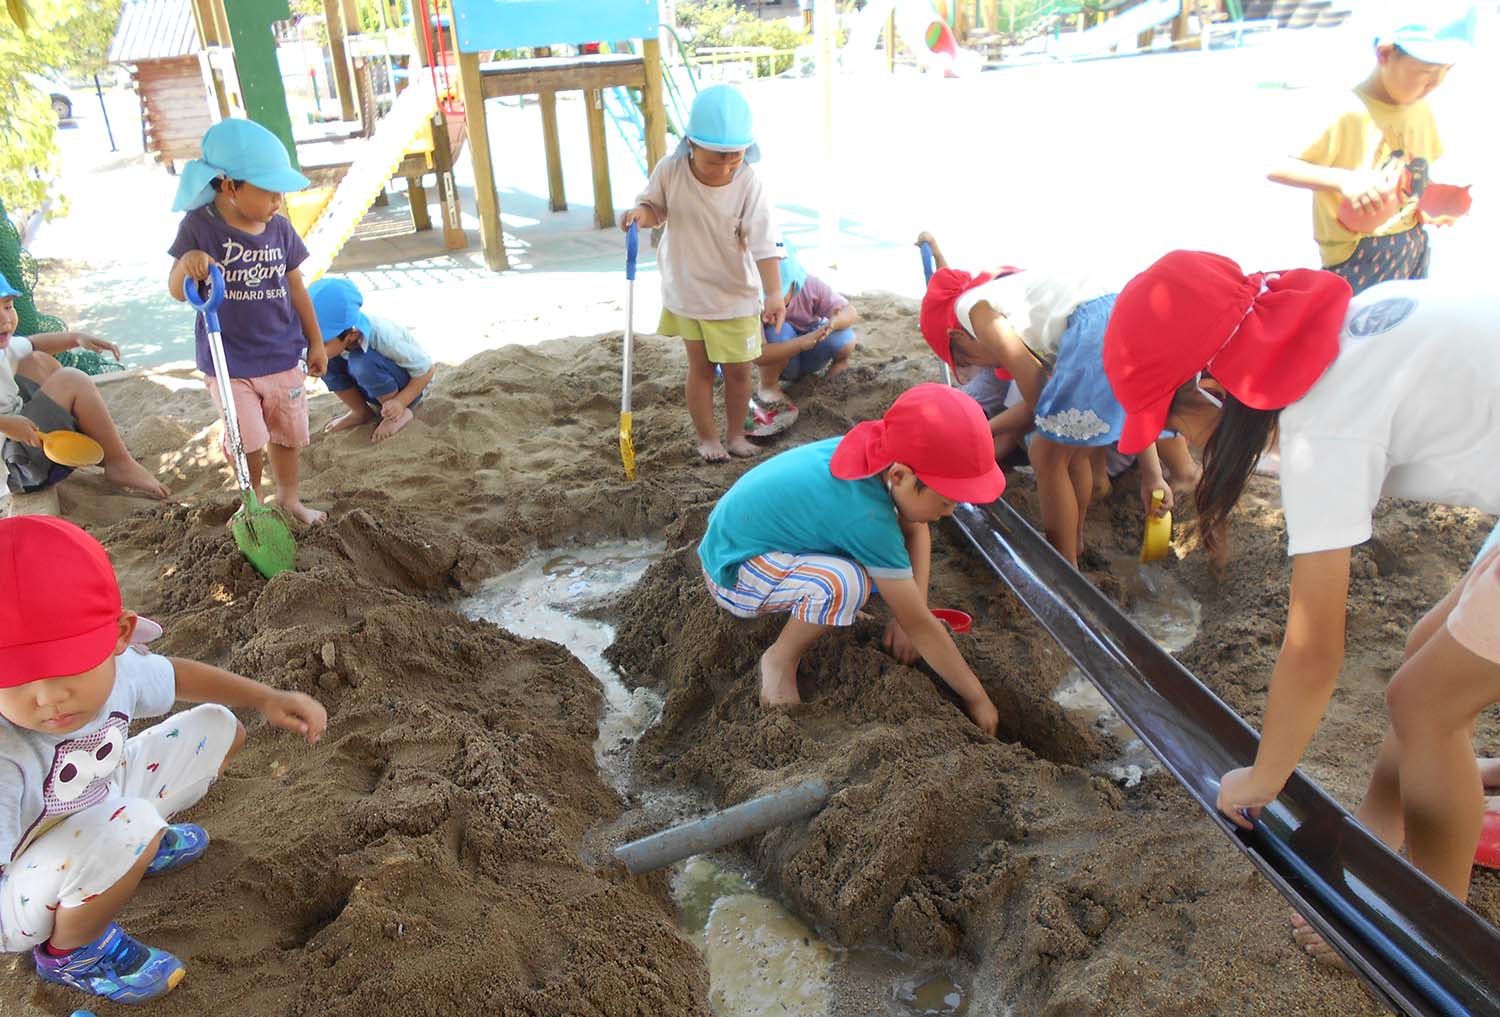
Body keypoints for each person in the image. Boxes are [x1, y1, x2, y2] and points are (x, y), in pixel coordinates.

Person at [1101, 249, 1500, 957]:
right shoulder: (1346, 330)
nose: (1182, 442)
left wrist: (1264, 775)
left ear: (1213, 386)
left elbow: (1315, 645)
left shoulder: (1324, 423)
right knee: (1422, 655)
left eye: (1174, 421)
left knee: (1426, 706)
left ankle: (1428, 935)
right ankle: (1376, 839)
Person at [0, 516, 327, 1003]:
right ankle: (73, 951)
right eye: (15, 675)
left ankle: (126, 854)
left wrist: (265, 698)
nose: (47, 698)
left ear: (120, 636)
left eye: (68, 665)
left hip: (94, 804)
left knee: (218, 727)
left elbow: (176, 677)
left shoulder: (120, 671)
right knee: (130, 825)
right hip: (19, 889)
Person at [697, 383, 1003, 736]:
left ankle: (809, 603)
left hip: (744, 539)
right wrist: (977, 697)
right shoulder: (867, 518)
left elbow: (916, 529)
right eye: (946, 501)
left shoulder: (879, 454)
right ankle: (780, 659)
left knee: (880, 571)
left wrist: (909, 614)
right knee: (847, 583)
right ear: (900, 476)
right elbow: (920, 625)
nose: (949, 512)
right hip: (735, 571)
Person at [916, 231, 1169, 567]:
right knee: (1072, 454)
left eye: (967, 360)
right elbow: (1117, 399)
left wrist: (1029, 431)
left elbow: (1035, 394)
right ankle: (1074, 541)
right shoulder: (1007, 304)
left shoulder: (972, 310)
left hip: (1095, 327)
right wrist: (1152, 473)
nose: (980, 366)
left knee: (1045, 453)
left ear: (957, 336)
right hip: (1125, 314)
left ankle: (1064, 563)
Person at [166, 118, 328, 525]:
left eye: (280, 192)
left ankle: (289, 499)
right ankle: (252, 500)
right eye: (269, 191)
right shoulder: (199, 227)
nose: (278, 200)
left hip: (281, 354)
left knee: (286, 434)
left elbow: (297, 289)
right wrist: (188, 264)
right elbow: (176, 289)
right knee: (247, 438)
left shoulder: (281, 230)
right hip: (230, 362)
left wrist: (316, 341)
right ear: (230, 186)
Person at [619, 84, 785, 463]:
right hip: (688, 290)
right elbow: (655, 207)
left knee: (740, 371)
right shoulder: (671, 170)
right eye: (715, 161)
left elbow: (765, 243)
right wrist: (640, 216)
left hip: (733, 296)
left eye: (735, 159)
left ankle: (736, 434)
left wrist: (774, 293)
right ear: (691, 145)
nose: (725, 168)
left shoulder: (749, 184)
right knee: (701, 368)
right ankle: (708, 438)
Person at [1268, 5, 1476, 294]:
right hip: (1359, 253)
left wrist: (1432, 202)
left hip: (1413, 241)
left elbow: (1413, 171)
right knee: (1364, 321)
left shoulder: (1421, 109)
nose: (1435, 83)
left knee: (1407, 317)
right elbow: (1277, 166)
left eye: (1446, 70)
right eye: (1426, 71)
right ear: (1386, 54)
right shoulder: (1346, 110)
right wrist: (1345, 181)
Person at [0, 278, 169, 500]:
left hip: (22, 439)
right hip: (17, 470)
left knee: (36, 360)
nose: (5, 319)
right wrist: (6, 424)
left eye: (7, 307)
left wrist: (76, 338)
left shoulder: (4, 348)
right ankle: (118, 463)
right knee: (71, 379)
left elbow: (33, 343)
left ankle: (93, 439)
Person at [307, 278, 435, 443]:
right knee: (324, 360)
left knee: (360, 362)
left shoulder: (384, 335)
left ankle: (397, 415)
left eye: (322, 342)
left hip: (408, 390)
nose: (313, 346)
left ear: (351, 335)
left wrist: (400, 402)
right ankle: (361, 412)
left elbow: (427, 371)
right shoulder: (336, 339)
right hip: (373, 389)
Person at [754, 241, 858, 405]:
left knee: (844, 336)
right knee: (778, 332)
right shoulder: (753, 305)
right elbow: (758, 355)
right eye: (764, 297)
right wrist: (802, 343)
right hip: (781, 361)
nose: (768, 303)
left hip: (813, 351)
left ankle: (840, 364)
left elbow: (849, 310)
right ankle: (768, 386)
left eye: (777, 294)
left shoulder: (809, 286)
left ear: (794, 282)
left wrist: (834, 323)